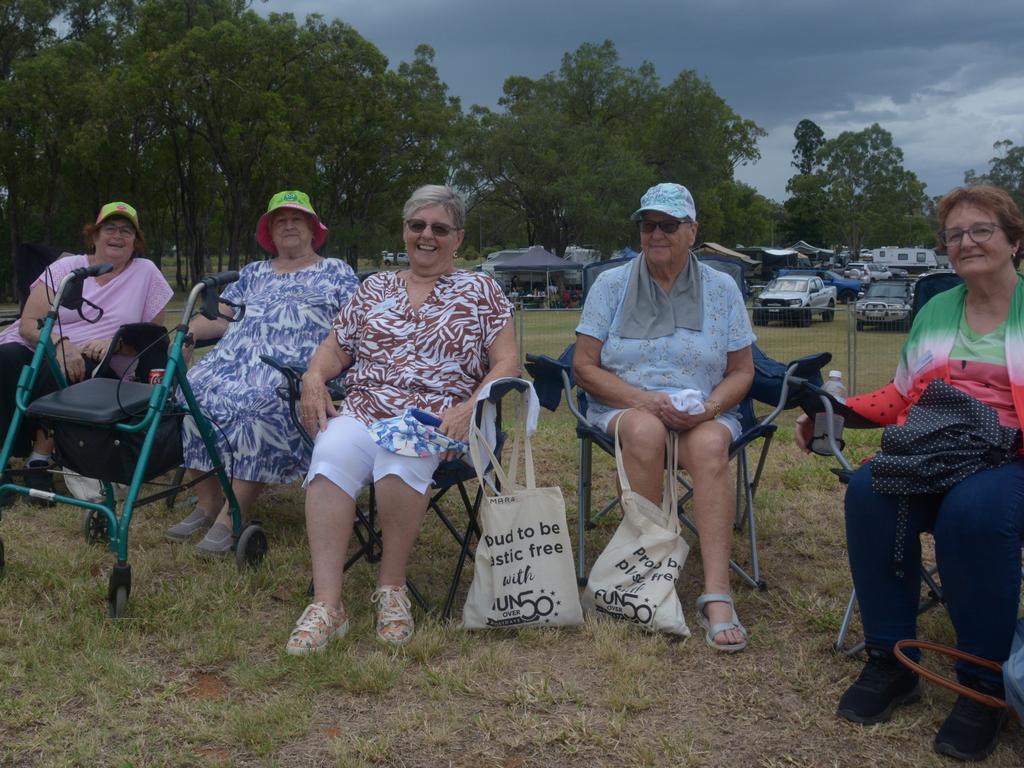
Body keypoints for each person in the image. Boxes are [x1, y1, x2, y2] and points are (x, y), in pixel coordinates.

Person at [795, 185, 1024, 761]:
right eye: (954, 234)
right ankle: (890, 662)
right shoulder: (936, 311)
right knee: (871, 493)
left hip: (1013, 457)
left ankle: (981, 688)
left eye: (981, 230)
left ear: (1014, 240)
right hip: (938, 448)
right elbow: (901, 397)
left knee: (973, 512)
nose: (965, 242)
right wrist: (836, 414)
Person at [286, 184, 518, 653]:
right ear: (405, 232)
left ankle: (391, 591)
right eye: (417, 226)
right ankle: (328, 606)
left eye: (439, 228)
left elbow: (508, 362)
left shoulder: (481, 290)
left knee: (402, 452)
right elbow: (336, 348)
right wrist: (314, 377)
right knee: (329, 454)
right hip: (367, 408)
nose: (426, 235)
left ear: (458, 237)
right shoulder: (374, 288)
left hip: (441, 418)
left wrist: (470, 404)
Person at [573, 182, 755, 652]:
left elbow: (742, 372)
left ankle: (717, 594)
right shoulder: (611, 285)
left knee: (712, 444)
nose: (656, 233)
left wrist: (709, 408)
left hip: (703, 410)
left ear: (692, 232)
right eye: (648, 224)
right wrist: (645, 400)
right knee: (644, 428)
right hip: (625, 406)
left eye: (668, 225)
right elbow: (584, 366)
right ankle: (649, 580)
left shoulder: (721, 288)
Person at [165, 190, 359, 554]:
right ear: (270, 231)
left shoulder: (336, 271)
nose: (288, 225)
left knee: (258, 401)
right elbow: (220, 316)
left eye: (296, 219)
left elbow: (355, 326)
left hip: (295, 369)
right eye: (279, 220)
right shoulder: (253, 273)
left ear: (313, 228)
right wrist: (188, 331)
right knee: (190, 391)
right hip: (233, 362)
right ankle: (206, 503)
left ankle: (232, 514)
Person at [0, 202, 172, 494]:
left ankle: (39, 459)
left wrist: (116, 343)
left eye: (126, 231)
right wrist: (59, 342)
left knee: (67, 369)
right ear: (94, 235)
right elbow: (29, 323)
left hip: (101, 361)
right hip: (42, 344)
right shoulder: (67, 268)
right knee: (5, 359)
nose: (117, 236)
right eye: (110, 228)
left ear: (136, 242)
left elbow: (153, 340)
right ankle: (3, 458)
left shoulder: (146, 273)